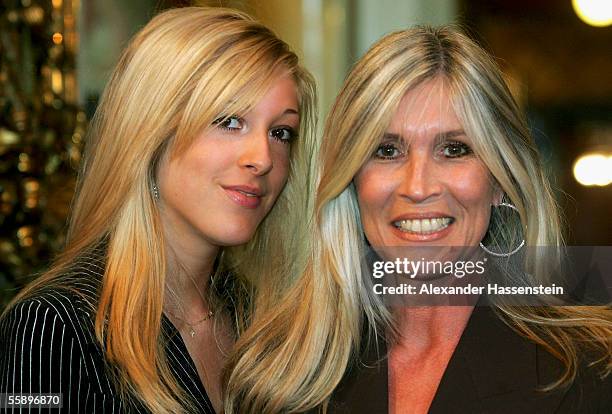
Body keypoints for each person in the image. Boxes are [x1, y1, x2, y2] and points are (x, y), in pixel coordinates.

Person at [0, 7, 325, 413]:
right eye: (229, 121)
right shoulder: (53, 325)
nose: (262, 158)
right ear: (151, 133)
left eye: (280, 132)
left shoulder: (258, 322)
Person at [306, 26, 611, 412]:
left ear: (499, 179)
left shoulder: (591, 373)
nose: (417, 187)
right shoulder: (288, 375)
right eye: (386, 150)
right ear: (351, 180)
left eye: (454, 149)